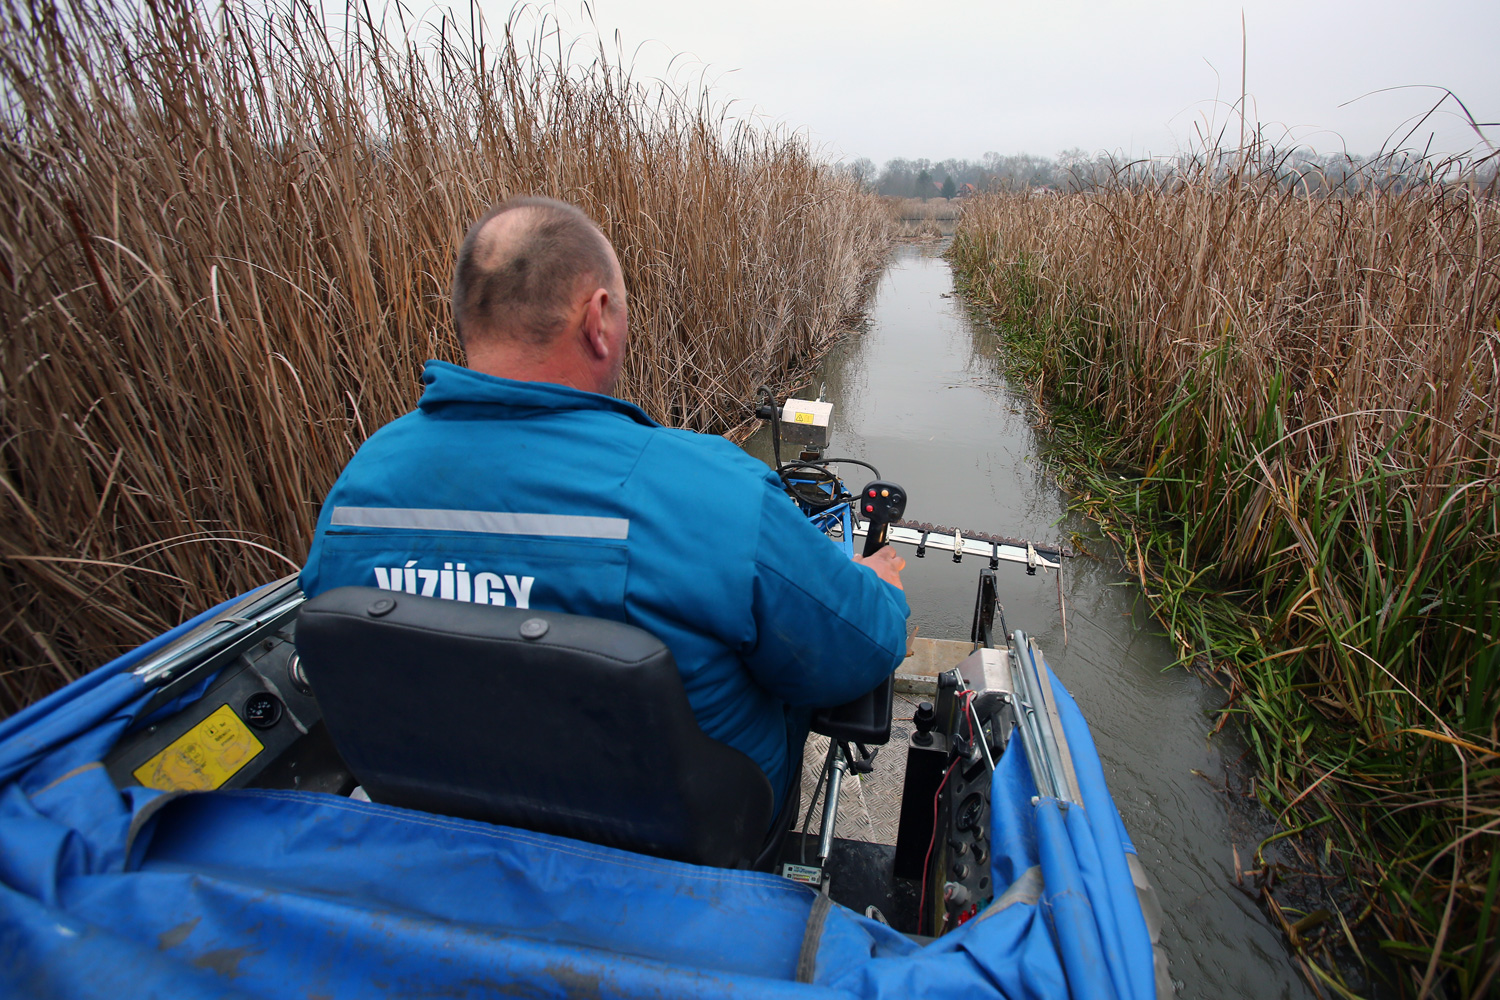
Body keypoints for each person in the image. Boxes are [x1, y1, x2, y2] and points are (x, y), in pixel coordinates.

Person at [299, 196, 909, 816]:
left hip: (444, 824)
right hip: (690, 859)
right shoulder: (714, 492)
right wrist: (874, 586)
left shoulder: (360, 485)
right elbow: (853, 655)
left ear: (468, 323)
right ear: (597, 319)